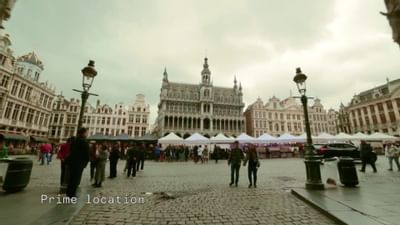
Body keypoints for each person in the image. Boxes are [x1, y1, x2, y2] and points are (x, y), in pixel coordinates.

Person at [65, 127, 90, 198]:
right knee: (76, 178)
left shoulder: (75, 140)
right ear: (84, 133)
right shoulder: (84, 141)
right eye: (86, 132)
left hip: (72, 161)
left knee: (71, 178)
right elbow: (86, 153)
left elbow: (71, 150)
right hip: (79, 162)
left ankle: (69, 193)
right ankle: (72, 194)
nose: (87, 134)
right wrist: (87, 160)